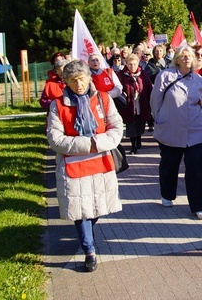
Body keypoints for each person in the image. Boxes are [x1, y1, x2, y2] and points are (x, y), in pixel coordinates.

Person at [46, 59, 123, 273]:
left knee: (95, 209)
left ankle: (86, 238)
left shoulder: (103, 99)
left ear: (89, 78)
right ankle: (89, 250)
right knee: (81, 211)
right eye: (73, 80)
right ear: (66, 82)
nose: (78, 84)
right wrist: (84, 144)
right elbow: (54, 138)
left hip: (100, 163)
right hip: (74, 166)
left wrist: (97, 142)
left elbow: (116, 127)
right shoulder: (58, 104)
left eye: (81, 79)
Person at [150, 45, 202, 220]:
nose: (186, 58)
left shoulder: (198, 80)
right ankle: (167, 194)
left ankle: (199, 206)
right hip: (171, 128)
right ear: (176, 59)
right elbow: (155, 102)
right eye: (183, 56)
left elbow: (199, 103)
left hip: (195, 130)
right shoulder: (165, 76)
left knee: (196, 169)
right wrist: (159, 120)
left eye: (189, 56)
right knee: (170, 165)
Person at [115, 53, 152, 155]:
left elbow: (148, 88)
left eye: (134, 64)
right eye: (130, 64)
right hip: (129, 105)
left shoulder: (143, 74)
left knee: (140, 123)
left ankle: (138, 139)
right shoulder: (121, 75)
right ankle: (133, 146)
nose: (132, 67)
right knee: (131, 125)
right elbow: (118, 88)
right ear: (126, 64)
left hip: (141, 103)